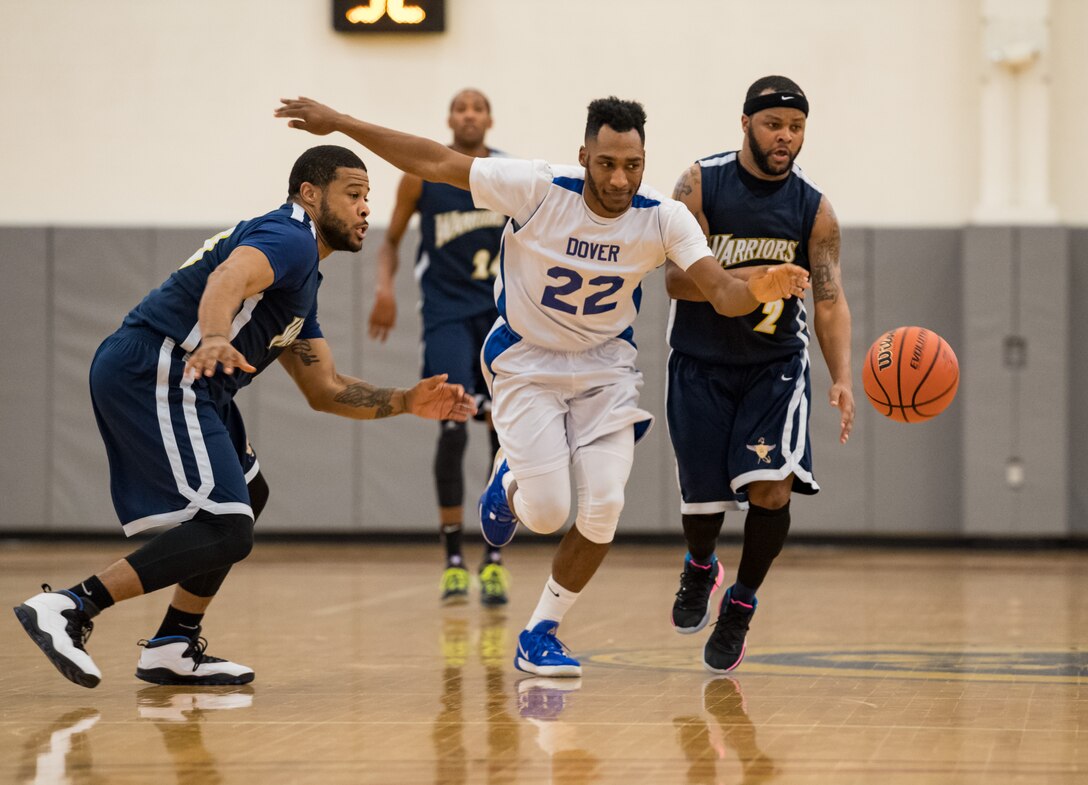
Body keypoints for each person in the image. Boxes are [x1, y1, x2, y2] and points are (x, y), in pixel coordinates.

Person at [274, 95, 810, 678]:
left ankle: (541, 632)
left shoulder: (663, 217)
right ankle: (506, 487)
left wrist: (763, 285)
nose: (619, 178)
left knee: (604, 506)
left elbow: (723, 294)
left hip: (606, 369)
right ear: (584, 156)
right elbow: (433, 161)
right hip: (527, 362)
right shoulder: (536, 188)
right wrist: (343, 124)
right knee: (550, 511)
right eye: (606, 163)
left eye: (632, 165)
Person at [13, 145, 476, 689]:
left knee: (248, 499)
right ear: (310, 193)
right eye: (353, 195)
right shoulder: (291, 237)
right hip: (161, 366)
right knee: (228, 527)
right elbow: (228, 278)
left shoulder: (303, 278)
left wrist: (404, 400)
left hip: (196, 384)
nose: (365, 209)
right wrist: (212, 336)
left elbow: (324, 388)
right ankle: (70, 607)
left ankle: (172, 644)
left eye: (367, 198)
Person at [665, 75, 854, 673]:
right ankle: (701, 565)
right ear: (746, 123)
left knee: (771, 487)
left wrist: (841, 376)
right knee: (703, 505)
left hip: (774, 367)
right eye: (775, 125)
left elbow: (828, 299)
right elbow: (672, 279)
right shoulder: (700, 182)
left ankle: (741, 602)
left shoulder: (813, 209)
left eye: (796, 127)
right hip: (699, 362)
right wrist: (753, 284)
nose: (786, 137)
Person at [370, 89, 510, 606]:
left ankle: (494, 559)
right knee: (452, 431)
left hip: (500, 319)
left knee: (503, 437)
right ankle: (453, 559)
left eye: (477, 107)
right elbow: (390, 242)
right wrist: (384, 289)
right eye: (460, 107)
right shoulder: (422, 175)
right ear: (449, 119)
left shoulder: (508, 175)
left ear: (489, 119)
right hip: (448, 317)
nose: (469, 114)